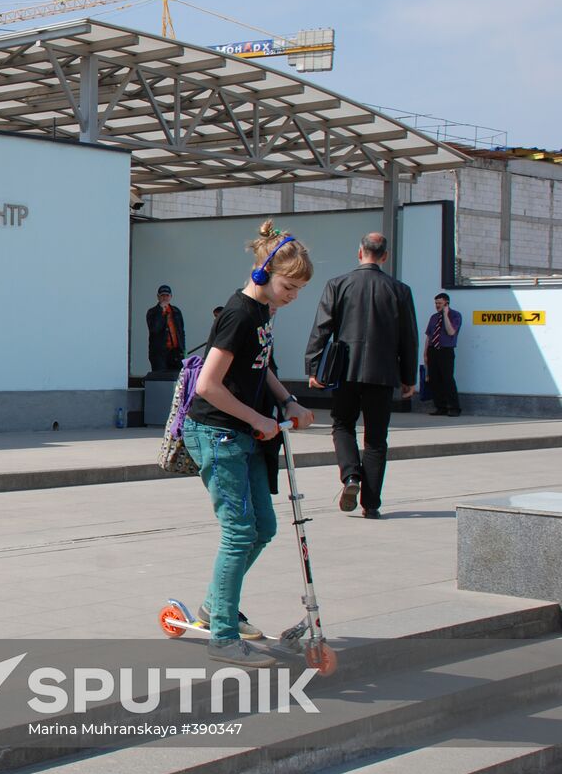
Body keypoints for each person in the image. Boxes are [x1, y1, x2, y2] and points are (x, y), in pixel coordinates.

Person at [183, 221, 315, 667]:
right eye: (288, 287)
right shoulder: (239, 314)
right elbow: (207, 385)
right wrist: (258, 417)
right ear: (262, 273)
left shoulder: (263, 312)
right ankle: (222, 636)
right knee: (239, 532)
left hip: (245, 434)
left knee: (262, 528)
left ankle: (214, 606)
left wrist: (287, 401)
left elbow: (262, 365)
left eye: (299, 290)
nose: (292, 296)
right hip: (218, 433)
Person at [305, 232, 417, 520]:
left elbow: (322, 328)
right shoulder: (400, 290)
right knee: (376, 438)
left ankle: (351, 475)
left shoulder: (338, 284)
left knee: (342, 425)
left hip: (345, 371)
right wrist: (409, 378)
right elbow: (409, 337)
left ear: (359, 253)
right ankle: (371, 504)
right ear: (385, 256)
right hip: (383, 373)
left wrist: (314, 367)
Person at [424, 292, 462, 417]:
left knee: (447, 379)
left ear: (446, 303)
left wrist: (445, 314)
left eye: (440, 303)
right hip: (433, 350)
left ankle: (454, 407)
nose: (437, 305)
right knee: (434, 379)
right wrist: (425, 353)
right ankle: (440, 407)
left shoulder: (455, 315)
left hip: (446, 350)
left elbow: (451, 332)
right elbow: (429, 336)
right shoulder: (433, 317)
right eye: (436, 303)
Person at [146, 284, 186, 372]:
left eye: (167, 295)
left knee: (177, 377)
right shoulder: (152, 312)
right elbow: (154, 329)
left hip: (175, 352)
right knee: (160, 377)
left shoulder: (176, 311)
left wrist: (183, 350)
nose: (165, 298)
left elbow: (181, 332)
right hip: (159, 354)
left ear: (171, 296)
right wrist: (161, 311)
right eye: (162, 295)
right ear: (158, 297)